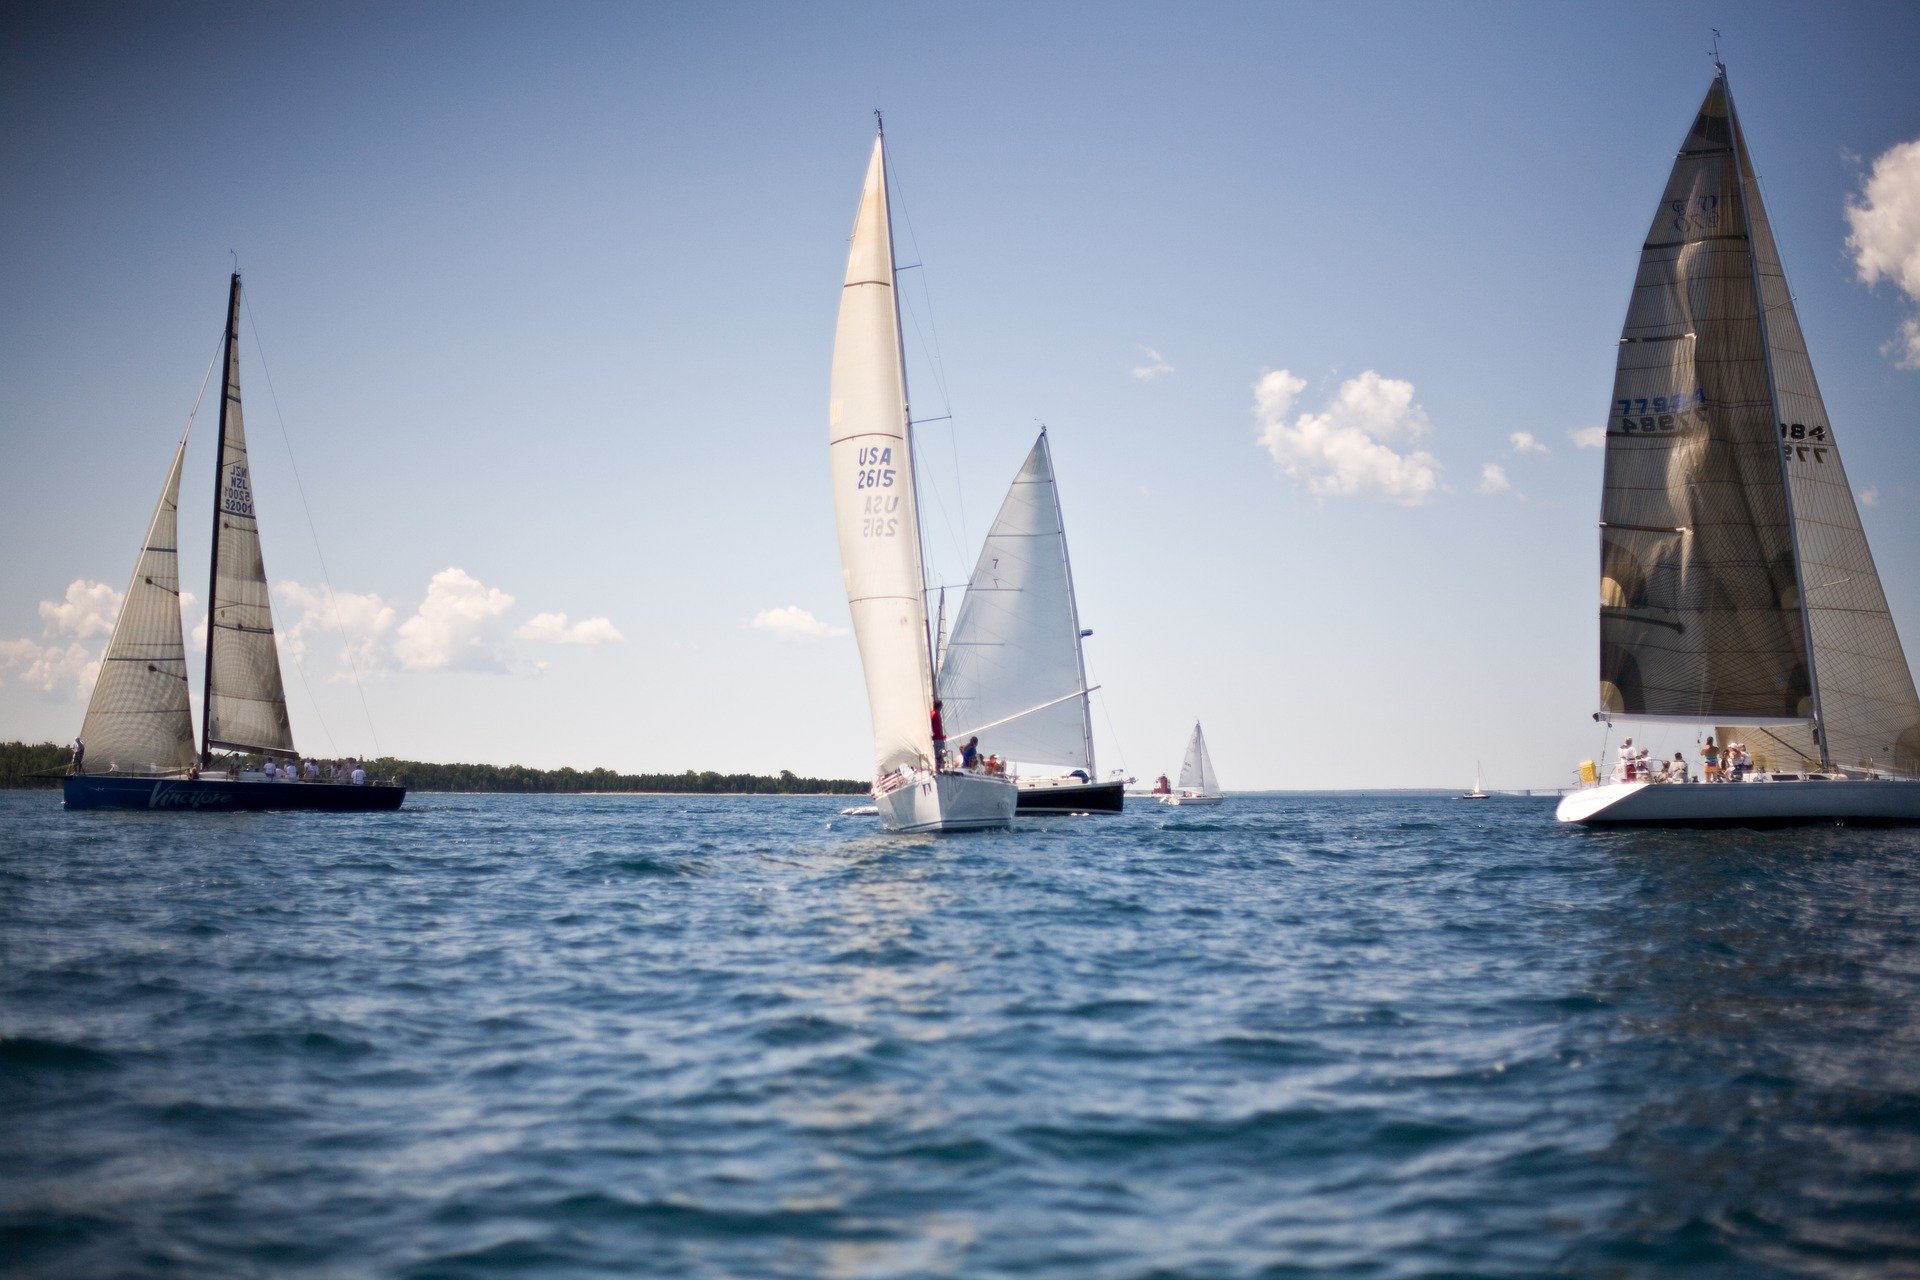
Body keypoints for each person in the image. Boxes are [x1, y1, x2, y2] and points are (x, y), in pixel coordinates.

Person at [930, 699, 947, 769]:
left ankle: (937, 768)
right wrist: (942, 736)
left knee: (937, 756)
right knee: (941, 755)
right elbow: (939, 727)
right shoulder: (936, 714)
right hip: (939, 739)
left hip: (934, 738)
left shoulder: (931, 713)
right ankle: (939, 769)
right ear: (939, 706)